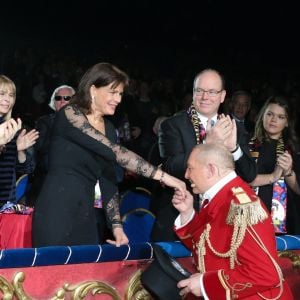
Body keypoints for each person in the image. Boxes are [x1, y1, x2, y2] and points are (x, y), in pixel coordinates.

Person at [32, 62, 186, 247]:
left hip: (86, 217)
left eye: (120, 94)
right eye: (113, 92)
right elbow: (116, 153)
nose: (118, 99)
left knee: (87, 274)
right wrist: (165, 177)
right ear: (93, 90)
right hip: (56, 211)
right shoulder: (70, 114)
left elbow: (108, 180)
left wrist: (117, 227)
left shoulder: (110, 129)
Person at [172, 143, 293, 299]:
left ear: (211, 170)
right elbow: (209, 248)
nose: (187, 175)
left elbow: (266, 273)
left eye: (190, 168)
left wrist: (204, 284)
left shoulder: (242, 206)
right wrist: (187, 212)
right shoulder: (223, 197)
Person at [152, 68, 255, 241]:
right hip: (180, 215)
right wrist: (208, 143)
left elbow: (250, 174)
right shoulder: (172, 125)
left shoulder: (231, 126)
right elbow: (171, 168)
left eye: (212, 92)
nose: (205, 97)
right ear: (193, 93)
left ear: (222, 96)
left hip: (223, 219)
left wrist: (234, 149)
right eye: (200, 91)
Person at [247, 96, 300, 234]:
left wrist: (288, 172)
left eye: (280, 117)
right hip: (248, 216)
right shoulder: (247, 145)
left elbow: (298, 189)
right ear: (262, 116)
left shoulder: (293, 150)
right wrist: (272, 176)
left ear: (287, 122)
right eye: (270, 114)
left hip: (283, 221)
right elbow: (240, 180)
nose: (274, 120)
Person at [0, 75, 39, 209]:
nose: (7, 99)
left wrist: (20, 150)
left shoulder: (12, 128)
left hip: (6, 204)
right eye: (2, 93)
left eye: (11, 95)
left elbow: (27, 170)